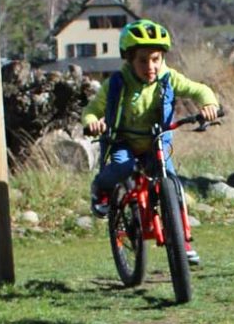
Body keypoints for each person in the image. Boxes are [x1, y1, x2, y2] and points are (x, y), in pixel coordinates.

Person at [81, 18, 219, 265]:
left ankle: (182, 240)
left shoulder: (168, 77)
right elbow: (93, 108)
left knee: (173, 186)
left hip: (157, 143)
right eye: (142, 60)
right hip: (124, 140)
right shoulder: (117, 83)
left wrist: (209, 105)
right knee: (122, 169)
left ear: (162, 58)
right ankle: (100, 190)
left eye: (155, 59)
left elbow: (199, 90)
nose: (150, 66)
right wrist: (92, 122)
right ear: (129, 60)